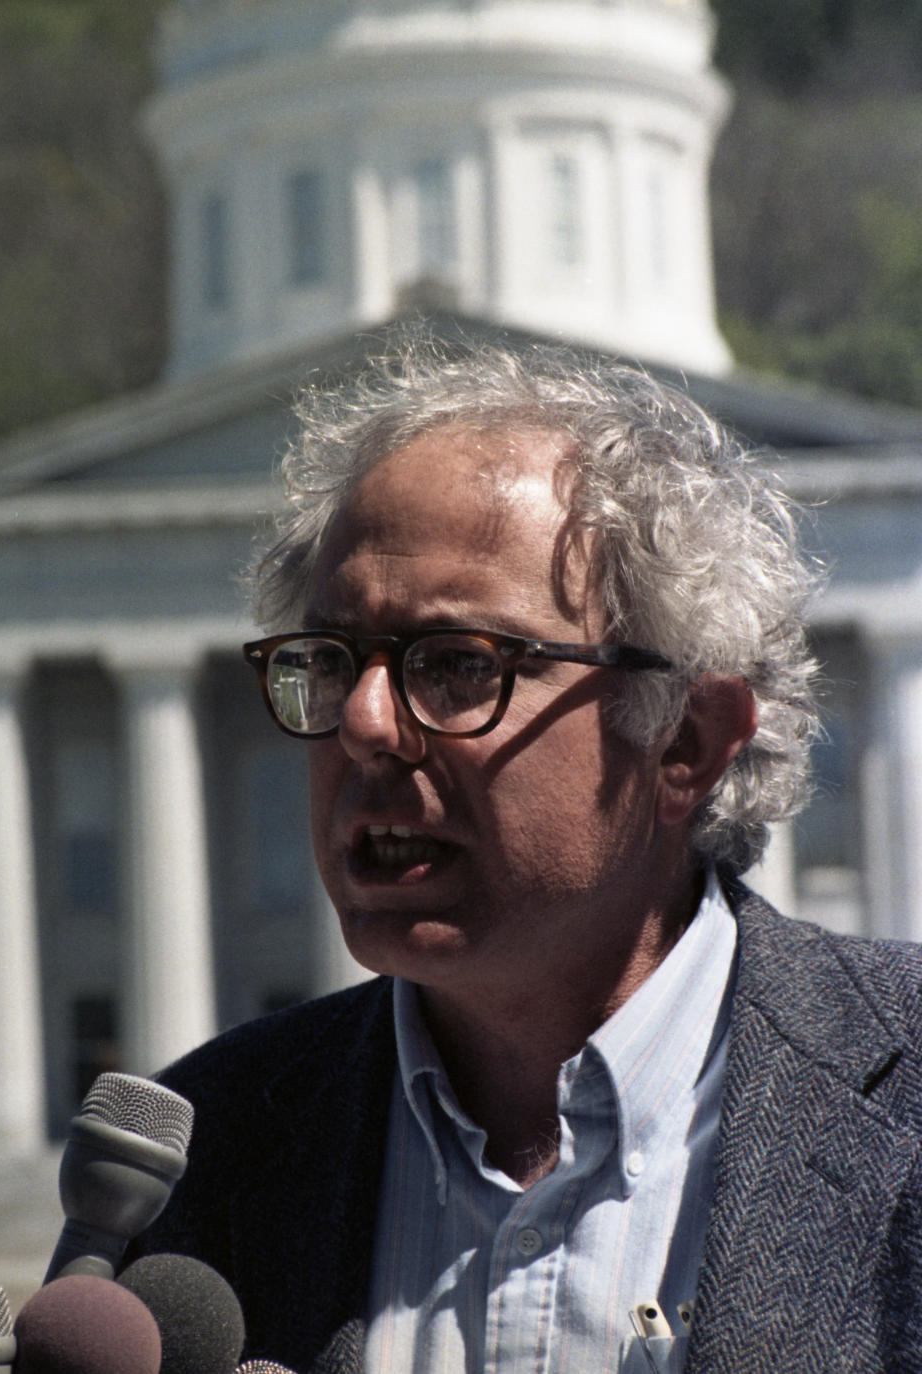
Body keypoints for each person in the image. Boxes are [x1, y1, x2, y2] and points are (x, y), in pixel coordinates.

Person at [130, 333, 922, 1373]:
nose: (363, 724)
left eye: (459, 664)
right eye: (329, 663)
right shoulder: (202, 1151)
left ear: (683, 740)